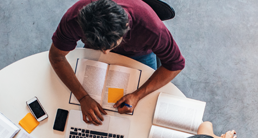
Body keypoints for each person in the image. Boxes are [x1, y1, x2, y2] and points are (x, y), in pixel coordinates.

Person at [49, 0, 185, 125]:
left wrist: (138, 95)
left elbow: (175, 65)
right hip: (92, 51)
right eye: (101, 48)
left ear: (126, 27)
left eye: (110, 46)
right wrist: (83, 97)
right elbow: (56, 57)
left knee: (142, 112)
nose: (105, 54)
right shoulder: (74, 18)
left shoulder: (152, 29)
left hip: (139, 55)